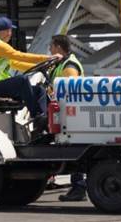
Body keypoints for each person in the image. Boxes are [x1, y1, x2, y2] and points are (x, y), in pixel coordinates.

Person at [0, 17, 59, 128]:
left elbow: (16, 64)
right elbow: (20, 56)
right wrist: (48, 58)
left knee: (39, 90)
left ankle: (42, 122)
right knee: (22, 80)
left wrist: (41, 67)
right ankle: (37, 116)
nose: (10, 34)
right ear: (4, 31)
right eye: (9, 31)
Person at [49, 34, 88, 202]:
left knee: (74, 149)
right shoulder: (61, 64)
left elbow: (69, 89)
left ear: (58, 47)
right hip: (67, 112)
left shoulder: (69, 66)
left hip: (69, 113)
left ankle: (79, 187)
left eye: (51, 46)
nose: (50, 49)